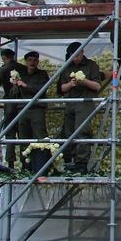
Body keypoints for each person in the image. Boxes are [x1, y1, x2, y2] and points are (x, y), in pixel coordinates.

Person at [58, 42, 102, 174]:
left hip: (85, 102)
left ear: (83, 53)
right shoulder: (67, 67)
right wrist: (71, 84)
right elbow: (61, 89)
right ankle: (68, 160)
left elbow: (97, 86)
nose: (76, 58)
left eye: (78, 55)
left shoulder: (91, 65)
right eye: (73, 56)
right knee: (68, 132)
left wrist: (84, 82)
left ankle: (81, 163)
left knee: (82, 131)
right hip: (70, 102)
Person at [11, 51, 50, 173]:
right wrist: (14, 85)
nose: (32, 62)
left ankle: (41, 167)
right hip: (22, 109)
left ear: (38, 62)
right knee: (24, 138)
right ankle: (25, 167)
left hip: (36, 109)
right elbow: (13, 95)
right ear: (26, 62)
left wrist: (25, 85)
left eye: (34, 60)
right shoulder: (20, 74)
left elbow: (41, 90)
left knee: (40, 137)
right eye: (29, 60)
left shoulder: (42, 74)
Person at [0, 48, 26, 168]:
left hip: (10, 102)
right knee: (23, 133)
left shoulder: (3, 69)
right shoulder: (23, 68)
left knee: (10, 132)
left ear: (3, 58)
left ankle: (10, 163)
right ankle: (25, 162)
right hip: (23, 103)